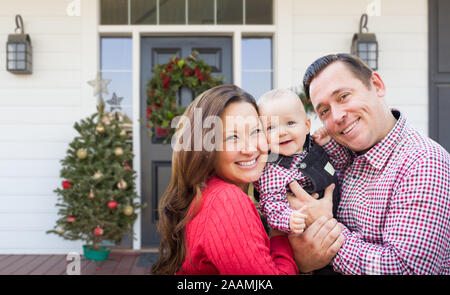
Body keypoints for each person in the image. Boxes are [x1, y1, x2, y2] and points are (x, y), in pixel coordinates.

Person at [150, 84, 345, 275]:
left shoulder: (213, 191)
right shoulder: (227, 201)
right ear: (206, 149)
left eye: (255, 132)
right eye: (232, 137)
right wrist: (294, 253)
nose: (250, 149)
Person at [288, 53, 450, 274]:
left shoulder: (423, 162)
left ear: (377, 85)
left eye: (343, 96)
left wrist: (326, 230)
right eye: (324, 111)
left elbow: (407, 269)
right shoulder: (339, 155)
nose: (336, 116)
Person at [253, 89, 340, 235]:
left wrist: (328, 143)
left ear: (306, 126)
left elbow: (340, 164)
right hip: (307, 231)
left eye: (290, 123)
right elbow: (271, 205)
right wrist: (289, 219)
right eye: (271, 127)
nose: (281, 132)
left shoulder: (314, 146)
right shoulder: (272, 170)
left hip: (340, 219)